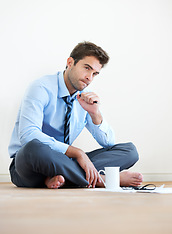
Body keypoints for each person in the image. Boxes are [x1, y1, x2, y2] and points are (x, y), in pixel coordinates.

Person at [8, 41, 143, 189]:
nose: (89, 78)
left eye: (95, 74)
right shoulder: (41, 88)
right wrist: (77, 153)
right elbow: (28, 135)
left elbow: (109, 143)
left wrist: (95, 114)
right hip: (29, 164)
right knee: (32, 148)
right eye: (87, 68)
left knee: (130, 151)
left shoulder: (85, 98)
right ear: (70, 62)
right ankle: (103, 180)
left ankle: (61, 178)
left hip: (64, 162)